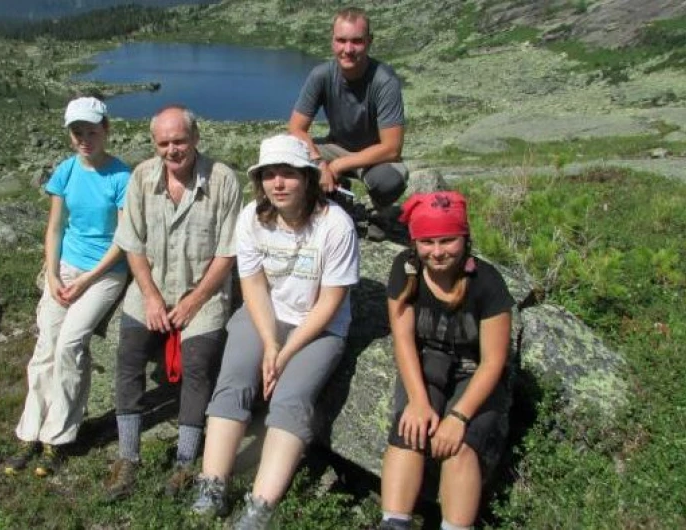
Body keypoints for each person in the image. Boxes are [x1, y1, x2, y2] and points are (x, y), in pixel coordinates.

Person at [189, 135, 360, 529]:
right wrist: (269, 342)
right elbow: (252, 287)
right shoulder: (251, 217)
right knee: (233, 381)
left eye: (288, 174)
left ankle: (260, 506)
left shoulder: (335, 225)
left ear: (307, 178)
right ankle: (212, 486)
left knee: (291, 398)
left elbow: (330, 303)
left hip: (318, 326)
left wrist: (283, 354)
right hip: (265, 314)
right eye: (269, 174)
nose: (278, 183)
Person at [104, 104, 242, 500]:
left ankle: (184, 461)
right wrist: (149, 296)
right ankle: (128, 456)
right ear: (154, 144)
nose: (172, 150)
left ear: (196, 138)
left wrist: (193, 303)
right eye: (163, 143)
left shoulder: (222, 180)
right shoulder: (142, 177)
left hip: (205, 291)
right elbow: (132, 244)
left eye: (179, 140)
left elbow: (226, 254)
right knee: (129, 355)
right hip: (151, 288)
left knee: (197, 364)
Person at [4, 97, 132, 477]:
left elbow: (123, 239)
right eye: (78, 132)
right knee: (45, 346)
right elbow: (56, 227)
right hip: (65, 267)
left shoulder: (121, 176)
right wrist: (54, 274)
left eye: (92, 131)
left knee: (71, 343)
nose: (85, 139)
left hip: (105, 273)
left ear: (106, 130)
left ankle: (58, 436)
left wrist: (86, 280)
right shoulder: (65, 171)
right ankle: (31, 432)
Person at [378, 191, 515, 530]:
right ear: (415, 242)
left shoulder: (487, 282)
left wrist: (457, 416)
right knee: (410, 430)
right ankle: (394, 522)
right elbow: (404, 340)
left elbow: (493, 361)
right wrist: (419, 402)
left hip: (477, 371)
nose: (437, 252)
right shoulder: (405, 269)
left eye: (447, 240)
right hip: (429, 363)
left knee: (460, 447)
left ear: (464, 238)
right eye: (427, 242)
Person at [288, 6, 408, 241]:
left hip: (375, 155)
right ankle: (336, 196)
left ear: (369, 42)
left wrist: (336, 166)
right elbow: (296, 128)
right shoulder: (321, 75)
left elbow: (392, 148)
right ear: (332, 41)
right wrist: (319, 162)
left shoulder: (384, 81)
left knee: (389, 181)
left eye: (357, 41)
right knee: (289, 152)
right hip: (336, 146)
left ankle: (381, 214)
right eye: (341, 40)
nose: (348, 49)